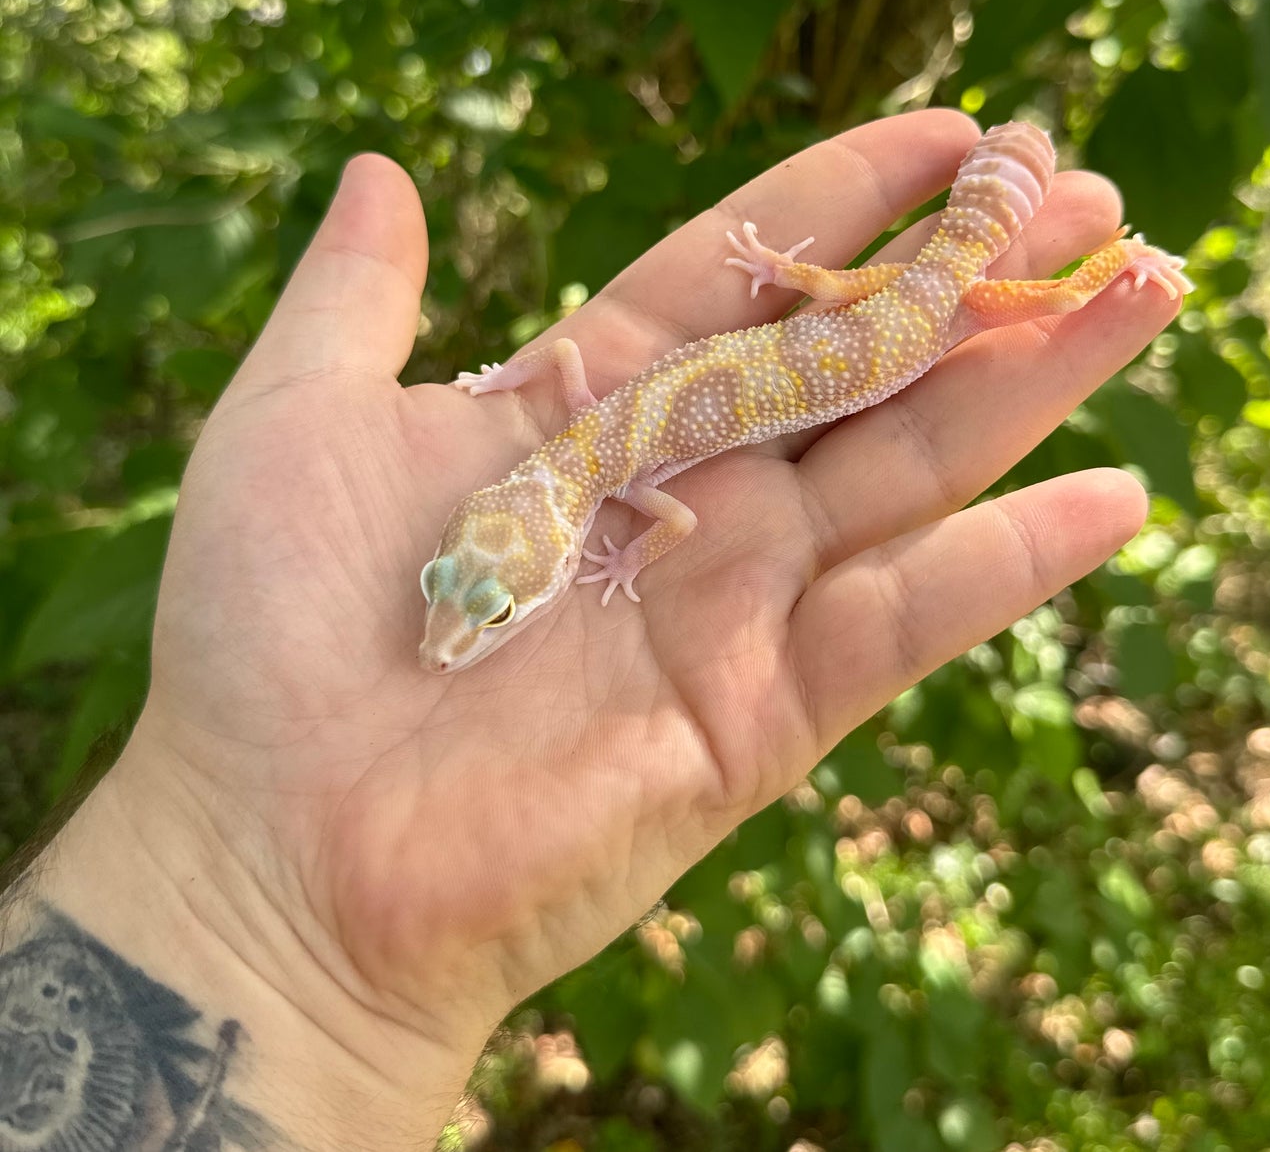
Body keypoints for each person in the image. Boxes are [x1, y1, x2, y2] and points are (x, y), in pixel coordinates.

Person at [0, 109, 1176, 1149]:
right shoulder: (578, 449)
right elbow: (570, 374)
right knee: (951, 274)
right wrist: (534, 371)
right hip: (856, 315)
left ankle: (1107, 267)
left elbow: (652, 503)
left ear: (549, 541)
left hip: (907, 324)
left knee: (1011, 294)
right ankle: (1043, 214)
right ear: (497, 521)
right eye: (459, 586)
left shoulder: (608, 481)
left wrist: (609, 521)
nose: (450, 626)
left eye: (486, 601)